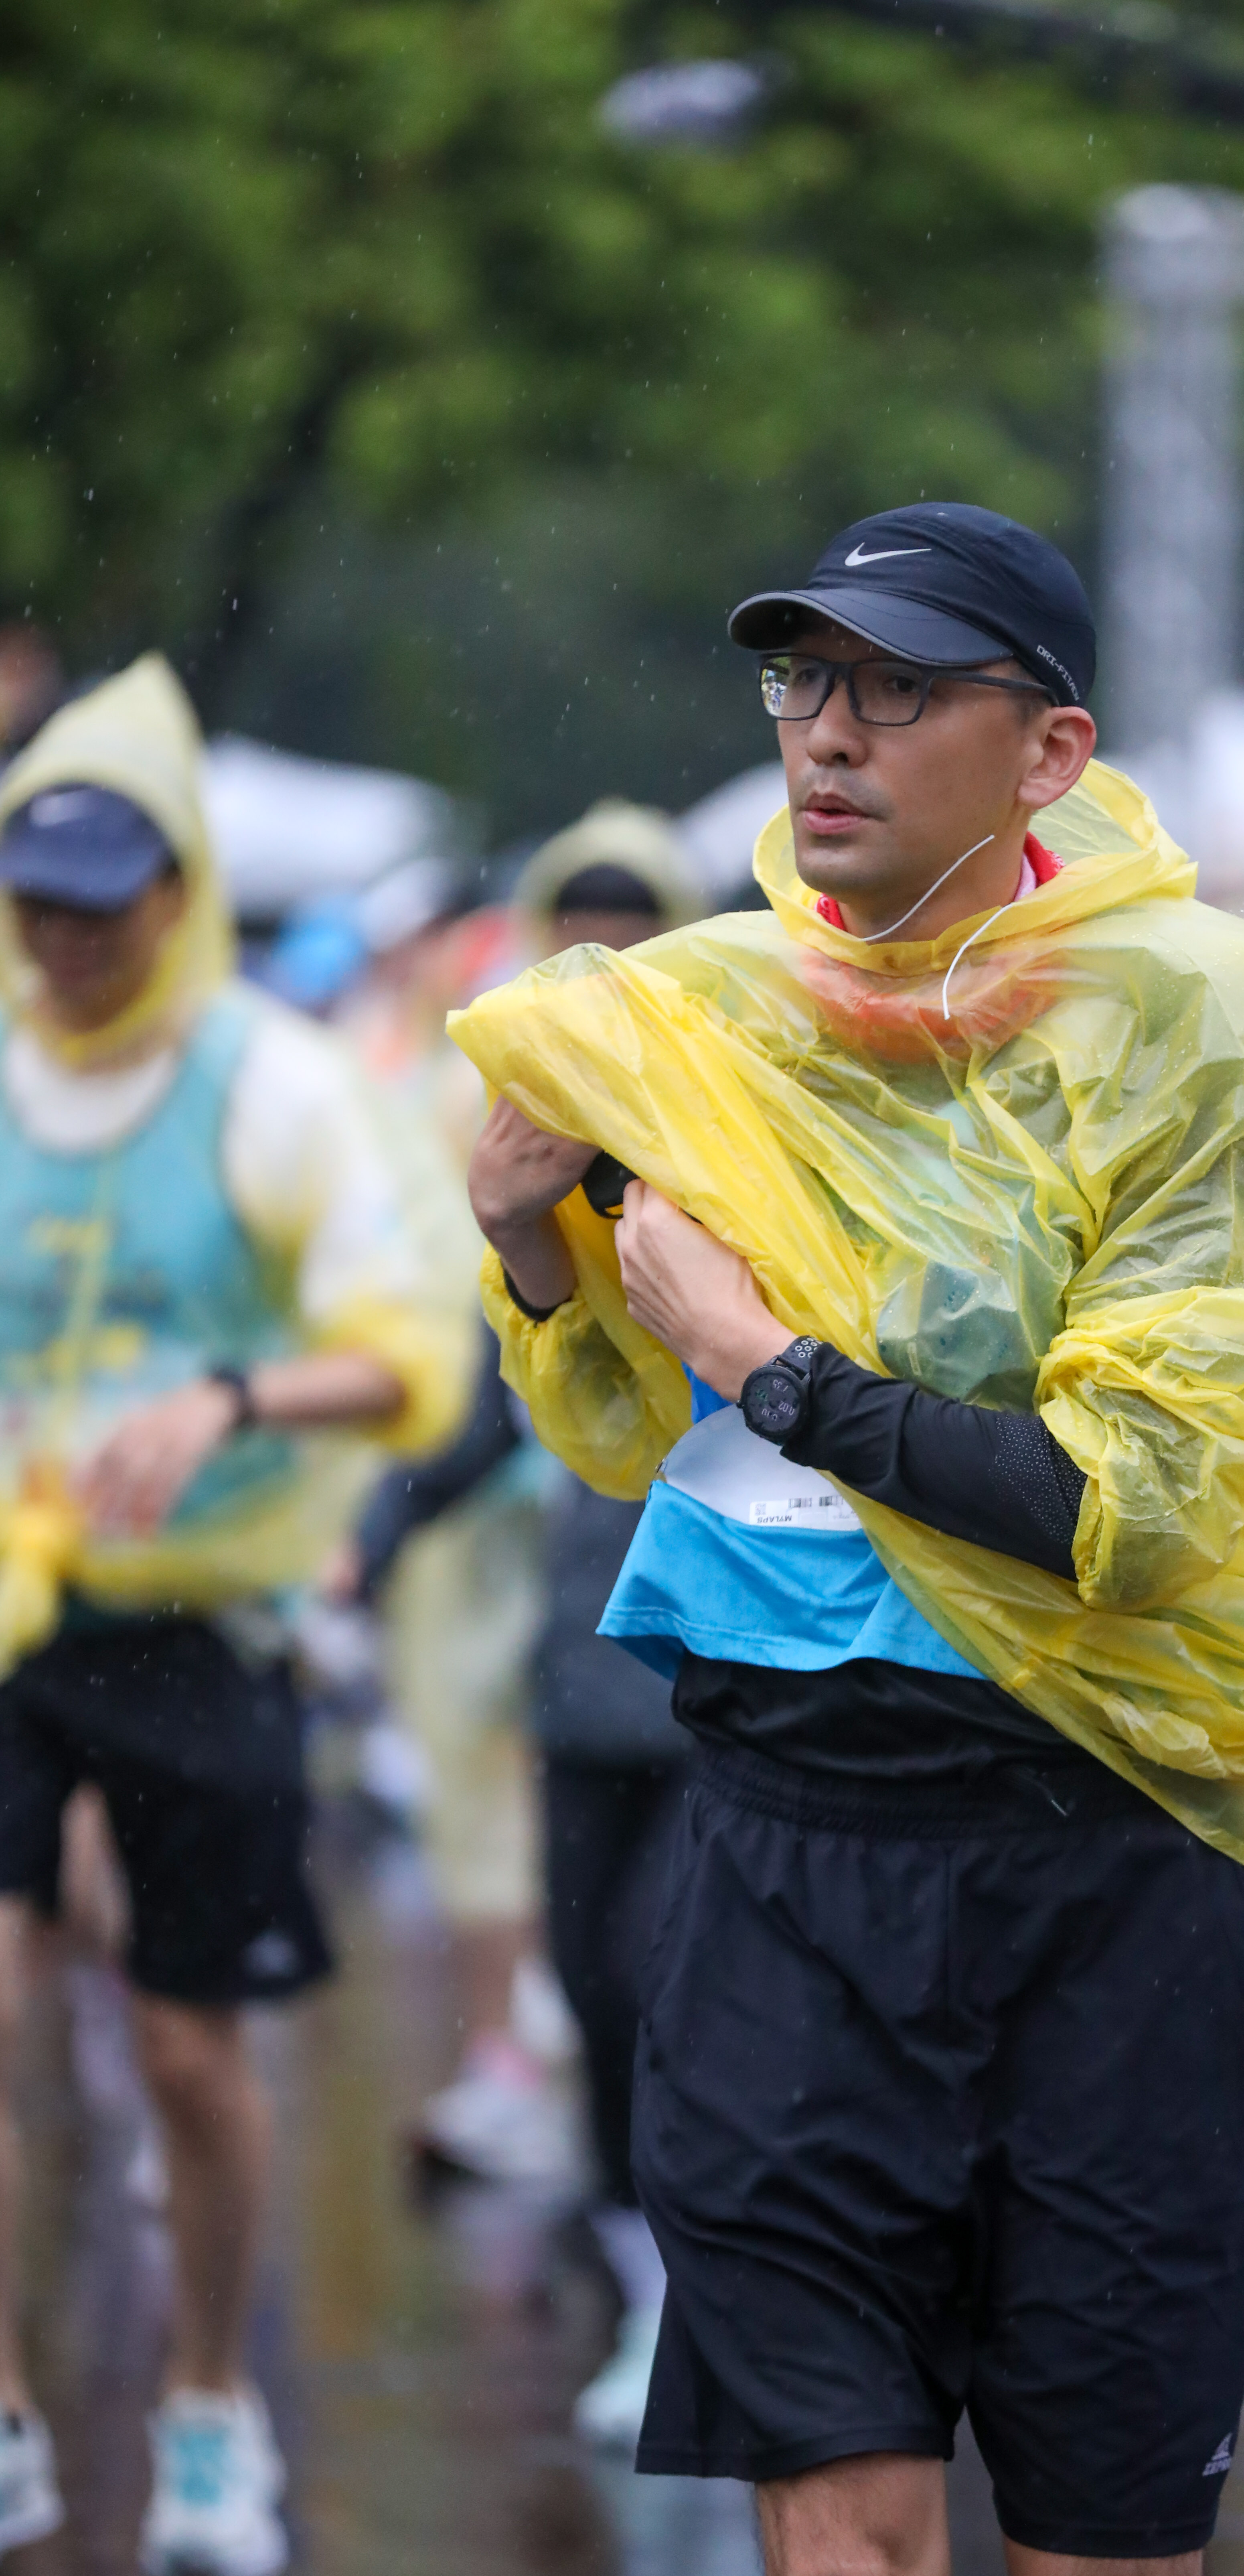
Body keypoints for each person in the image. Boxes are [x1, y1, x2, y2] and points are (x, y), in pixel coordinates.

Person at [454, 505, 1244, 2576]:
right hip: (782, 1875)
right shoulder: (712, 1027)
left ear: (1052, 751)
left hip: (1107, 1882)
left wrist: (784, 1369)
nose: (828, 737)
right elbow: (621, 1417)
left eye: (901, 690)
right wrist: (529, 1250)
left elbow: (1131, 1511)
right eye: (805, 684)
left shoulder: (1190, 1052)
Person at [0, 657, 466, 2576]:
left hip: (206, 1625)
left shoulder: (272, 1087)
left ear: (179, 897)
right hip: (14, 1615)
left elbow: (412, 1356)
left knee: (188, 2054)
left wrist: (230, 1400)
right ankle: (7, 2413)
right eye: (34, 903)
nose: (64, 943)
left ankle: (208, 2401)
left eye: (100, 908)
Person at [345, 808, 701, 2432]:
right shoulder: (527, 1155)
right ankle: (641, 2276)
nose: (608, 959)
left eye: (638, 928)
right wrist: (373, 1533)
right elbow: (508, 1389)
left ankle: (711, 2284)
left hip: (730, 1667)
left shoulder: (742, 1136)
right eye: (582, 928)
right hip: (583, 1657)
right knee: (596, 1989)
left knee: (669, 1976)